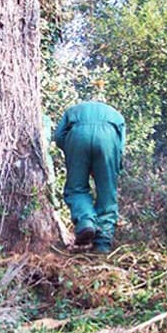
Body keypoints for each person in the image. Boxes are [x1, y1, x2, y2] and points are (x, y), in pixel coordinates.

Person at [53, 100, 125, 253]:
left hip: (77, 136)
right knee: (107, 193)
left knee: (76, 188)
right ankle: (102, 244)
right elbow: (120, 148)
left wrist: (74, 154)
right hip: (109, 138)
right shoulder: (117, 116)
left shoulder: (72, 111)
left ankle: (86, 222)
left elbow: (59, 136)